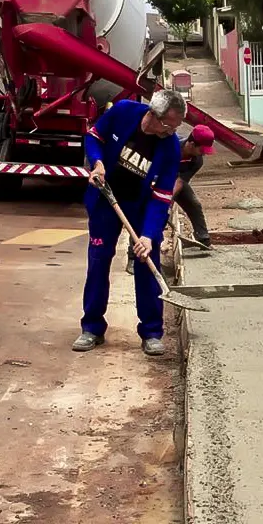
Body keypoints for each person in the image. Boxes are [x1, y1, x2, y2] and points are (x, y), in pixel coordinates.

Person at [73, 90, 187, 357]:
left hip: (141, 207)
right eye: (170, 125)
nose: (172, 131)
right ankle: (92, 327)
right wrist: (98, 164)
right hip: (106, 199)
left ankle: (151, 332)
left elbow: (162, 196)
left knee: (147, 264)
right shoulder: (123, 111)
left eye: (176, 126)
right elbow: (94, 138)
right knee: (99, 262)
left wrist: (148, 235)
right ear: (154, 116)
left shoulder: (170, 147)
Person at [125, 123, 216, 273]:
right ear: (191, 144)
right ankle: (133, 259)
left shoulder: (196, 160)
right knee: (144, 216)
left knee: (194, 204)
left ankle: (202, 238)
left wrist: (165, 202)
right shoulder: (169, 146)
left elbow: (179, 183)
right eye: (202, 149)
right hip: (152, 178)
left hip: (174, 182)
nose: (204, 153)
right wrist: (157, 201)